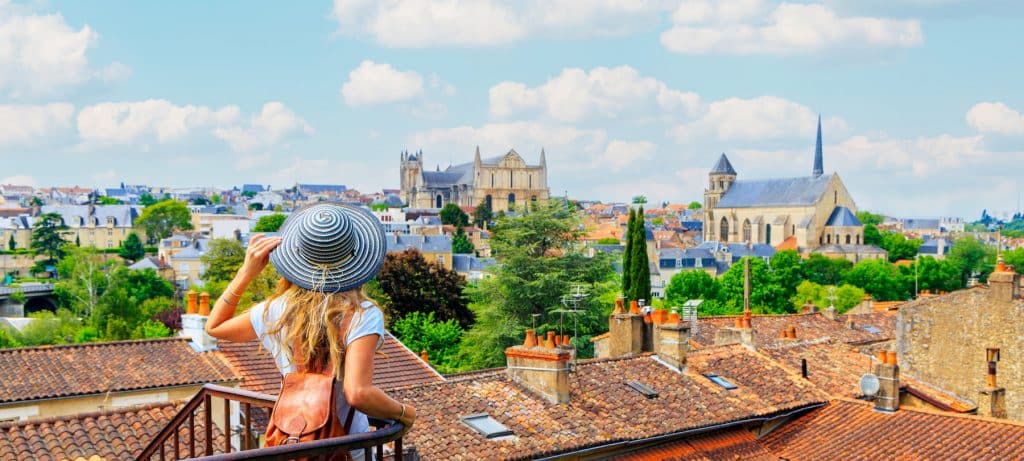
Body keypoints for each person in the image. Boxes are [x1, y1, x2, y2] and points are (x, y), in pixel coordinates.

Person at [205, 203, 416, 460]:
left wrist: (245, 272)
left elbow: (214, 327)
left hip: (293, 441)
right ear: (355, 257)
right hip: (347, 448)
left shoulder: (275, 310)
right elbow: (358, 393)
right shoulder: (362, 314)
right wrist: (404, 413)